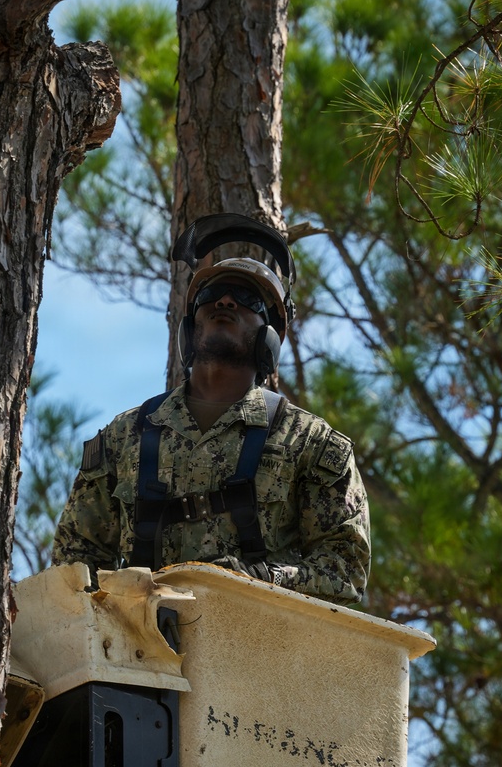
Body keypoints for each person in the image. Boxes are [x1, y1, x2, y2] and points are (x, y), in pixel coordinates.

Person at [51, 213, 370, 606]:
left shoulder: (309, 442)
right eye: (212, 295)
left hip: (259, 638)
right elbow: (73, 565)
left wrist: (260, 579)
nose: (225, 301)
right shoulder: (124, 436)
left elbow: (345, 569)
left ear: (269, 338)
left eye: (247, 299)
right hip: (140, 642)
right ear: (189, 327)